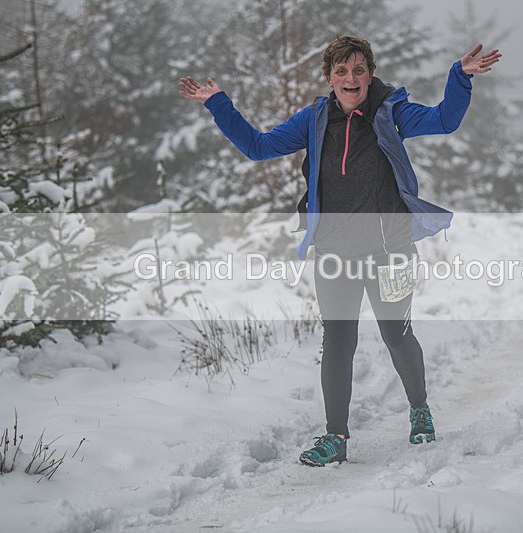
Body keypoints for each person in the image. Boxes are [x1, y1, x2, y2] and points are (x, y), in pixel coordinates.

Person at [178, 36, 500, 466]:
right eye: (342, 71)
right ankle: (336, 436)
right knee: (338, 341)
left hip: (392, 251)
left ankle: (419, 408)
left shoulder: (391, 111)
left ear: (370, 74)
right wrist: (218, 103)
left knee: (396, 334)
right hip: (334, 253)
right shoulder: (315, 119)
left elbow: (445, 120)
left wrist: (459, 77)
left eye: (359, 70)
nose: (351, 78)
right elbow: (258, 147)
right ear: (329, 77)